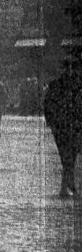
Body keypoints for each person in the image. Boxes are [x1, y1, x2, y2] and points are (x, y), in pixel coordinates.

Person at [43, 57, 82, 198]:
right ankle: (67, 186)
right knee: (69, 156)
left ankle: (67, 185)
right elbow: (47, 105)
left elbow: (47, 105)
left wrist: (51, 122)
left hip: (64, 126)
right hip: (70, 126)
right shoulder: (76, 84)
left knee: (68, 156)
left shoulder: (56, 84)